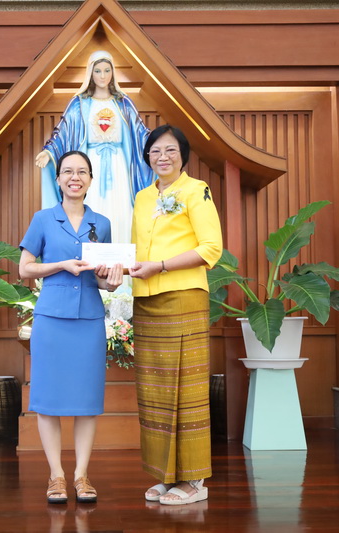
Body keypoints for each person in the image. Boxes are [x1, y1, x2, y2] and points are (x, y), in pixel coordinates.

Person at [19, 150, 124, 504]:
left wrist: (113, 280)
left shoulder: (102, 223)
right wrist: (61, 264)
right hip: (51, 319)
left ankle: (81, 475)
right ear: (58, 179)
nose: (74, 177)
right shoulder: (43, 219)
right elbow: (25, 268)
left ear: (90, 180)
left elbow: (103, 280)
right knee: (47, 399)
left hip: (89, 320)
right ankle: (56, 476)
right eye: (67, 171)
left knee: (87, 400)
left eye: (81, 172)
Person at [129, 124, 223, 506]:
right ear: (147, 157)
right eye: (155, 151)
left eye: (170, 150)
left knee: (187, 390)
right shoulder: (142, 197)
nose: (162, 157)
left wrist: (162, 266)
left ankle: (194, 480)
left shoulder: (196, 190)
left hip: (183, 297)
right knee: (155, 391)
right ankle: (165, 476)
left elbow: (211, 248)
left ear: (183, 155)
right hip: (146, 301)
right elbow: (136, 249)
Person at [36, 50, 153, 244]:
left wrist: (160, 145)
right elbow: (63, 132)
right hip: (90, 165)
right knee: (90, 206)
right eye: (98, 71)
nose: (103, 76)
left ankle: (123, 259)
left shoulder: (123, 103)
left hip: (119, 166)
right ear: (90, 73)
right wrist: (50, 151)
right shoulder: (80, 104)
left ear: (113, 72)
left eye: (107, 70)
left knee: (122, 210)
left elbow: (141, 133)